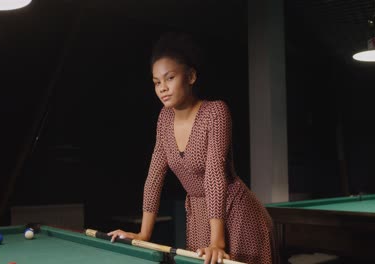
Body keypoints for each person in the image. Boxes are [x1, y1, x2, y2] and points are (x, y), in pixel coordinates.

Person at [108, 32, 274, 264]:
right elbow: (154, 176)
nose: (162, 88)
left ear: (191, 76)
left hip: (235, 214)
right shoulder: (164, 118)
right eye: (157, 82)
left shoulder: (215, 112)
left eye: (170, 78)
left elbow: (215, 174)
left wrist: (218, 242)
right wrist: (144, 234)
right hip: (198, 217)